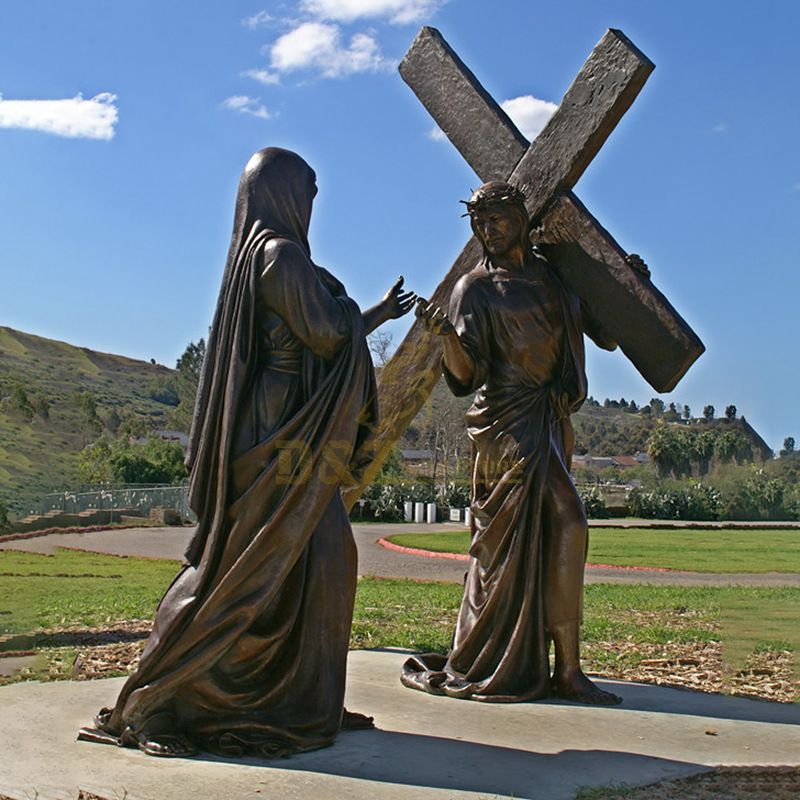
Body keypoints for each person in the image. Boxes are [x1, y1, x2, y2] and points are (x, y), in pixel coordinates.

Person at [78, 147, 415, 757]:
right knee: (239, 569)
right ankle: (159, 698)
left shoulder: (267, 255)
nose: (313, 202)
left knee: (316, 562)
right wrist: (361, 312)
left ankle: (303, 698)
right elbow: (324, 331)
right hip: (279, 427)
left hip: (287, 421)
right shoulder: (279, 255)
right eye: (308, 190)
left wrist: (372, 313)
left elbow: (323, 328)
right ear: (283, 192)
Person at [403, 180, 621, 705]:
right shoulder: (473, 289)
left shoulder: (553, 276)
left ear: (520, 218)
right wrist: (447, 337)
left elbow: (606, 334)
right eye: (479, 223)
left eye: (496, 218)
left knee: (561, 530)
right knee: (557, 525)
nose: (488, 229)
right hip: (503, 428)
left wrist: (627, 283)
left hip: (547, 422)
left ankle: (568, 668)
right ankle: (549, 666)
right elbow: (466, 375)